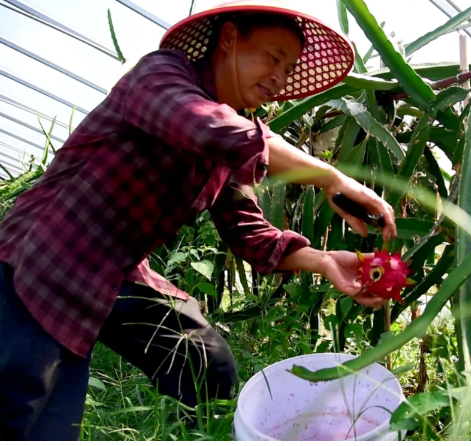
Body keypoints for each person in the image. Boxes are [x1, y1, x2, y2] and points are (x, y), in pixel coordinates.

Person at [0, 0, 396, 440]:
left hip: (114, 270)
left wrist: (322, 261)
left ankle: (193, 435)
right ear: (228, 39)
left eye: (288, 70)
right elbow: (206, 126)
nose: (279, 78)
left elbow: (251, 234)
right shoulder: (161, 76)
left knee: (204, 361)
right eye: (272, 58)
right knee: (25, 412)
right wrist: (330, 176)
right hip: (41, 259)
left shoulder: (235, 137)